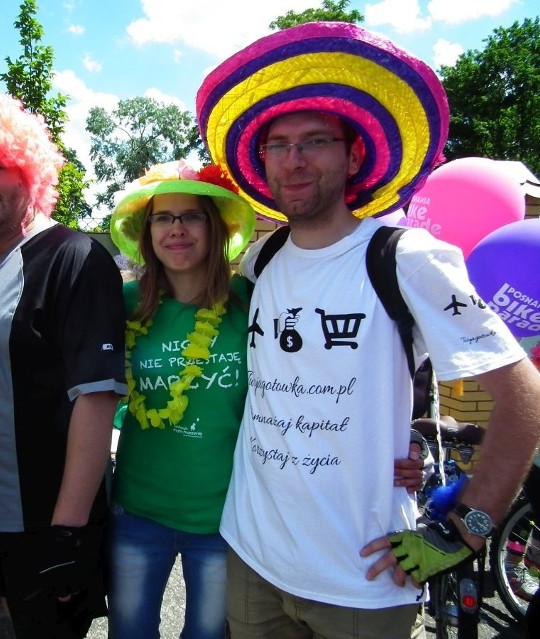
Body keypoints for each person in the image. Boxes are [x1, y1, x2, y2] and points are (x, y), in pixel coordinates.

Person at [195, 21, 540, 638]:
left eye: (316, 141)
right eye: (278, 144)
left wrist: (467, 527)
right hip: (252, 558)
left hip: (364, 579)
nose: (294, 159)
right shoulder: (260, 262)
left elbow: (523, 396)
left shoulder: (406, 257)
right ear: (262, 161)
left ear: (354, 154)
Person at [0, 84, 126, 639]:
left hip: (45, 523)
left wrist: (68, 532)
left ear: (28, 171)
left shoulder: (73, 257)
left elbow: (97, 397)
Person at [106, 160, 255, 638]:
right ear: (146, 232)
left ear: (214, 227)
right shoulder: (124, 304)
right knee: (129, 632)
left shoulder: (250, 300)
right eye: (162, 218)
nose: (176, 229)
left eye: (190, 216)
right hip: (138, 510)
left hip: (222, 516)